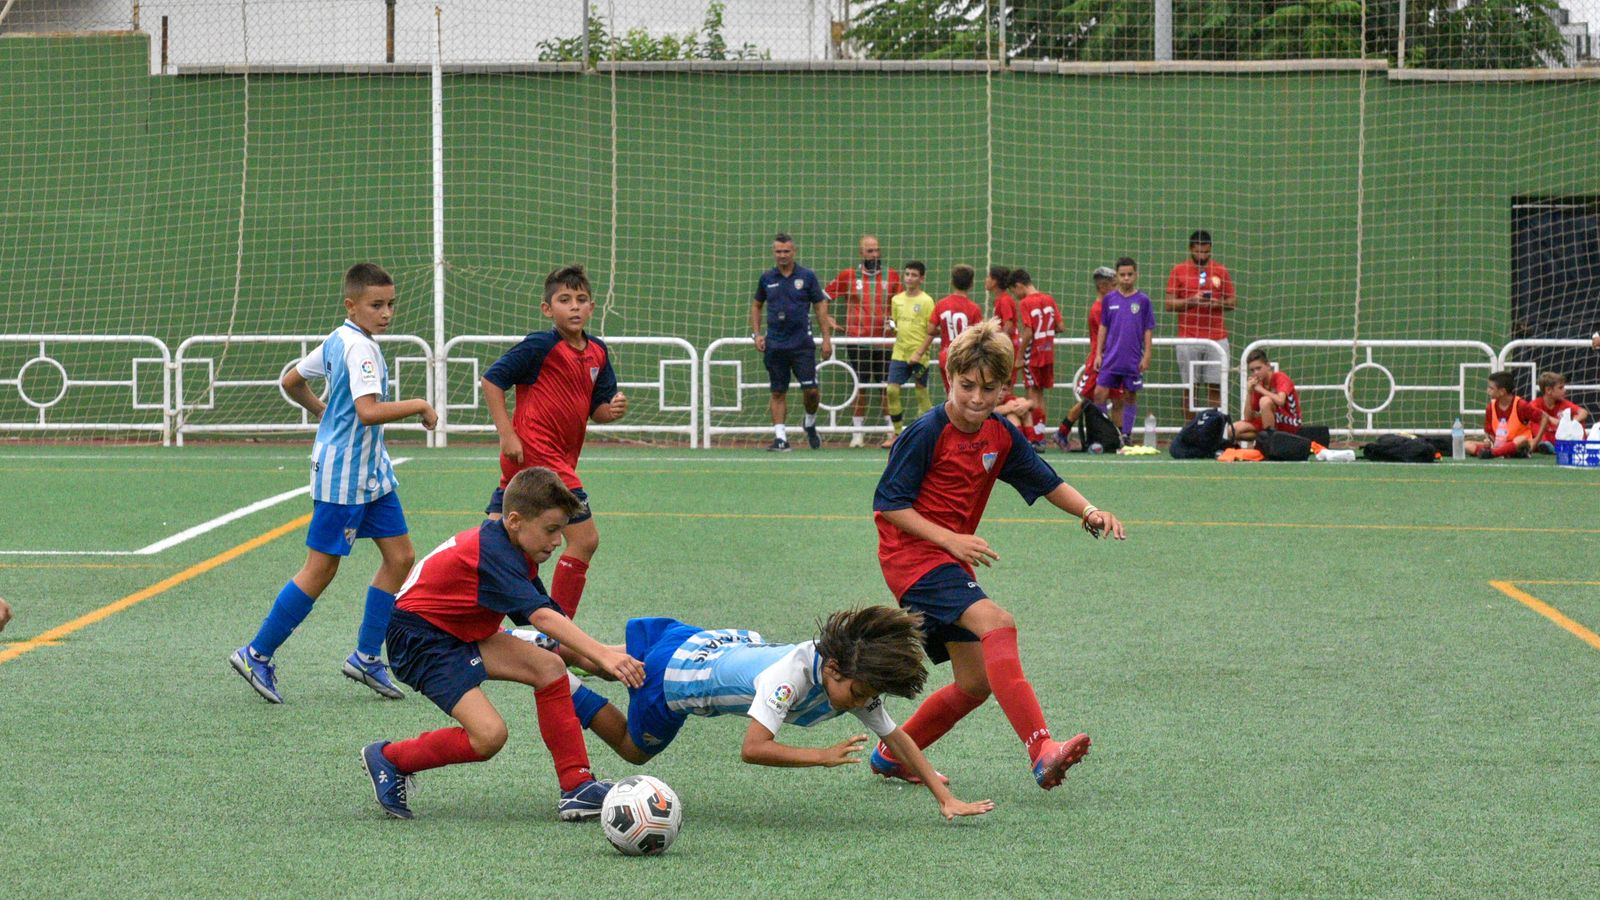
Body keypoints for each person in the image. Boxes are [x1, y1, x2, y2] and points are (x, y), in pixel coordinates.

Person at [871, 320, 1126, 793]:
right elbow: (889, 505)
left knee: (974, 684)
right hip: (913, 558)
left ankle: (892, 753)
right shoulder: (926, 432)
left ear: (1004, 388)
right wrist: (950, 539)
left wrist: (1089, 511)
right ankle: (1042, 749)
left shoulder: (1000, 436)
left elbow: (1046, 479)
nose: (976, 398)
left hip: (947, 560)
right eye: (967, 386)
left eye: (988, 389)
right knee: (998, 623)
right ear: (950, 378)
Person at [358, 467, 646, 821]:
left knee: (549, 667)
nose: (558, 541)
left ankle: (577, 787)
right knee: (489, 736)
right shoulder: (493, 554)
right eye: (552, 529)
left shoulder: (514, 550)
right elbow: (542, 619)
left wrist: (603, 657)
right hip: (422, 641)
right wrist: (601, 654)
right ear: (514, 520)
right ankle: (390, 758)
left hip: (460, 631)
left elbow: (554, 626)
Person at [547, 606, 994, 821]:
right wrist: (820, 756)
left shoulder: (850, 676)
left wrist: (944, 797)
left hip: (703, 644)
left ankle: (543, 647)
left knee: (608, 662)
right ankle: (556, 678)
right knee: (633, 750)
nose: (861, 704)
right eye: (857, 693)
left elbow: (897, 736)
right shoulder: (789, 679)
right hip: (676, 677)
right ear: (833, 667)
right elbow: (753, 749)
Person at [230, 263, 438, 705]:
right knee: (320, 569)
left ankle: (365, 656)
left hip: (373, 473)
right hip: (343, 477)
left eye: (390, 305)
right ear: (352, 305)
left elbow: (291, 381)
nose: (386, 313)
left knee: (400, 556)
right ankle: (256, 653)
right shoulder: (359, 349)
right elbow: (367, 411)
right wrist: (419, 404)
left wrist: (323, 411)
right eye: (376, 305)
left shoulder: (338, 338)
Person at [481, 264, 626, 620]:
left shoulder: (598, 352)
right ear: (548, 309)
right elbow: (492, 380)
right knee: (584, 540)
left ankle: (470, 616)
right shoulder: (540, 345)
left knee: (496, 544)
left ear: (592, 307)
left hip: (545, 462)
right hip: (538, 458)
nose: (574, 306)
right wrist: (507, 434)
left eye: (581, 299)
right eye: (564, 300)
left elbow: (598, 411)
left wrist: (612, 409)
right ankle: (558, 633)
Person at [753, 233, 833, 452]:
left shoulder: (807, 276)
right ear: (774, 253)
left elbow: (820, 306)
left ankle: (809, 422)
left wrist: (826, 339)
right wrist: (757, 334)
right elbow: (757, 304)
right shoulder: (766, 278)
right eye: (778, 251)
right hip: (775, 345)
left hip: (802, 345)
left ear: (794, 251)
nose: (782, 255)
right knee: (778, 392)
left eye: (786, 251)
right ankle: (781, 438)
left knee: (812, 392)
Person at [827, 236, 900, 447]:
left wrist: (895, 326)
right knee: (860, 385)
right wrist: (828, 319)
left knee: (886, 386)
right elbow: (823, 297)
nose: (875, 255)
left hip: (885, 341)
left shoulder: (892, 275)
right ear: (861, 253)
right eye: (870, 251)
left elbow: (902, 303)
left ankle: (890, 432)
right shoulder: (848, 276)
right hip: (857, 340)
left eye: (877, 250)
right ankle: (857, 433)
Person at [1165, 230, 1236, 411]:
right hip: (1188, 339)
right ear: (1190, 249)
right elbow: (1169, 304)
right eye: (1198, 251)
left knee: (1216, 387)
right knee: (1190, 389)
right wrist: (1192, 301)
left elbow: (1232, 302)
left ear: (1211, 249)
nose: (1202, 256)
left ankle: (1214, 433)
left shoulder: (1221, 270)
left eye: (1205, 252)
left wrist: (1216, 304)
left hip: (1217, 339)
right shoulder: (1178, 271)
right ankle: (1190, 435)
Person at [1055, 266, 1121, 451]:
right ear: (1102, 286)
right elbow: (1108, 336)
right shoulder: (1099, 309)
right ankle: (1063, 432)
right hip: (1099, 361)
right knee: (1089, 400)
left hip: (1112, 360)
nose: (1117, 288)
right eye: (1113, 285)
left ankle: (1118, 437)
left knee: (1116, 399)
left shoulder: (1108, 306)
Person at [1093, 258, 1154, 444]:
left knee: (1129, 395)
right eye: (1122, 275)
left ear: (1136, 275)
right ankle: (1104, 433)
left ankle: (1126, 435)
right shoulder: (1110, 299)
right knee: (1099, 394)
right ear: (1117, 277)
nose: (1126, 278)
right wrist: (1098, 353)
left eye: (1130, 274)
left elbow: (1148, 328)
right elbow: (1103, 327)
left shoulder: (1143, 300)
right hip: (1111, 357)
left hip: (1132, 358)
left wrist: (1147, 354)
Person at [883, 261, 936, 448]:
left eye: (914, 275)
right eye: (907, 274)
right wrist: (890, 327)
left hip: (920, 354)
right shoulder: (896, 300)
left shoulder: (927, 301)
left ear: (921, 278)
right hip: (899, 353)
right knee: (891, 390)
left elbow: (932, 330)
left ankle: (930, 435)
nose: (909, 278)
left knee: (921, 392)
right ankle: (897, 433)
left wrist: (919, 352)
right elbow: (895, 326)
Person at [1009, 269, 1061, 448]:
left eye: (1014, 291)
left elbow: (1029, 331)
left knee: (1032, 394)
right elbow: (1060, 326)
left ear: (1019, 286)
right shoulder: (1049, 299)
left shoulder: (1025, 303)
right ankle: (1039, 435)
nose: (1015, 296)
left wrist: (1020, 356)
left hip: (1034, 355)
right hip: (1048, 352)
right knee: (1041, 395)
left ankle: (1034, 438)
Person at [917, 264, 984, 393]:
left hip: (946, 355)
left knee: (951, 393)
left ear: (952, 282)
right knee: (966, 393)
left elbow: (930, 329)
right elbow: (979, 334)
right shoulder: (974, 308)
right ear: (971, 285)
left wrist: (944, 330)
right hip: (966, 356)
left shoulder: (942, 304)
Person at [1466, 371, 1555, 459]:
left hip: (1521, 445)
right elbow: (1489, 433)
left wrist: (1535, 441)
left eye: (1491, 388)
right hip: (1499, 445)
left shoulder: (1520, 405)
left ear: (1502, 391)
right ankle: (1500, 452)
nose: (1487, 391)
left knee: (1521, 439)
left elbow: (1544, 418)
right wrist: (1489, 442)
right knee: (1467, 445)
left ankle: (1494, 453)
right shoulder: (1490, 407)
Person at [1232, 349, 1304, 443]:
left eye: (1258, 368)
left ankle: (1268, 444)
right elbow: (1248, 418)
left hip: (1290, 422)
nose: (1256, 373)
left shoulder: (1280, 377)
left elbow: (1280, 401)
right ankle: (1265, 440)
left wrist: (1260, 390)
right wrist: (1249, 392)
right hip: (1271, 423)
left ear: (1268, 366)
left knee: (1265, 401)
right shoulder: (1258, 384)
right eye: (1252, 370)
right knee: (1233, 430)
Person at [1530, 371, 1589, 453]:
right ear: (1548, 390)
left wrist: (1572, 422)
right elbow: (1539, 416)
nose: (1564, 390)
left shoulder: (1564, 403)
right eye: (1561, 388)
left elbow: (1583, 412)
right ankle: (1544, 445)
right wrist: (1549, 419)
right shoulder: (1535, 404)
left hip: (1560, 438)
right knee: (1536, 421)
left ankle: (1577, 445)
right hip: (1544, 437)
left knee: (1579, 422)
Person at [986, 265, 1020, 371]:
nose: (986, 280)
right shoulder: (1000, 300)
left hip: (1007, 347)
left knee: (1006, 384)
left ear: (995, 281)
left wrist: (999, 344)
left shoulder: (1004, 300)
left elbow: (1008, 325)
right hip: (1006, 345)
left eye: (989, 277)